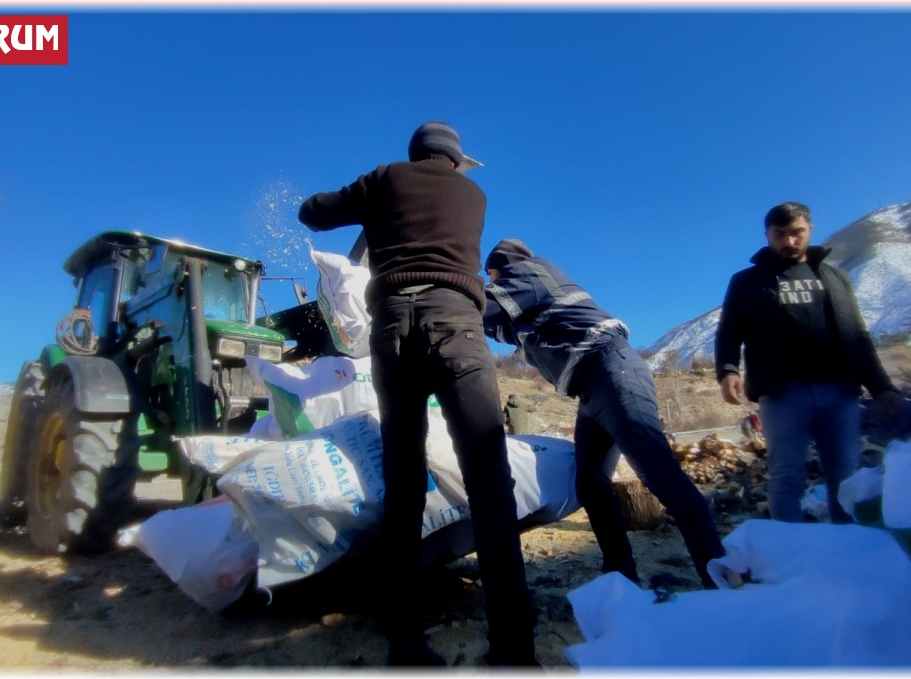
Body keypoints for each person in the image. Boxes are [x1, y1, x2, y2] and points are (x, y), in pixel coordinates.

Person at [297, 121, 536, 667]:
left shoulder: (387, 178)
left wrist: (350, 204)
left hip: (392, 329)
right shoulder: (474, 195)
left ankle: (406, 643)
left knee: (404, 485)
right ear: (454, 160)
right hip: (457, 326)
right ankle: (514, 650)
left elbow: (315, 212)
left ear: (416, 153)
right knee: (488, 478)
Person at [483, 239, 725, 588]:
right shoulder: (529, 298)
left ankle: (718, 573)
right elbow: (495, 323)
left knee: (660, 474)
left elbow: (482, 305)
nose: (489, 280)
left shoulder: (529, 273)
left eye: (489, 274)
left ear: (500, 267)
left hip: (612, 373)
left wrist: (449, 283)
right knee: (590, 482)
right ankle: (621, 574)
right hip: (595, 385)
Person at [715, 201, 904, 524]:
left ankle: (849, 546)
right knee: (787, 474)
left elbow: (858, 336)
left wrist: (882, 386)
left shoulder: (835, 278)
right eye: (780, 234)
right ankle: (790, 550)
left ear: (810, 230)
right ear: (767, 236)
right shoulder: (748, 281)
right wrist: (728, 371)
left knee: (846, 475)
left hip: (839, 392)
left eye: (796, 232)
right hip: (783, 393)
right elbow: (729, 331)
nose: (789, 241)